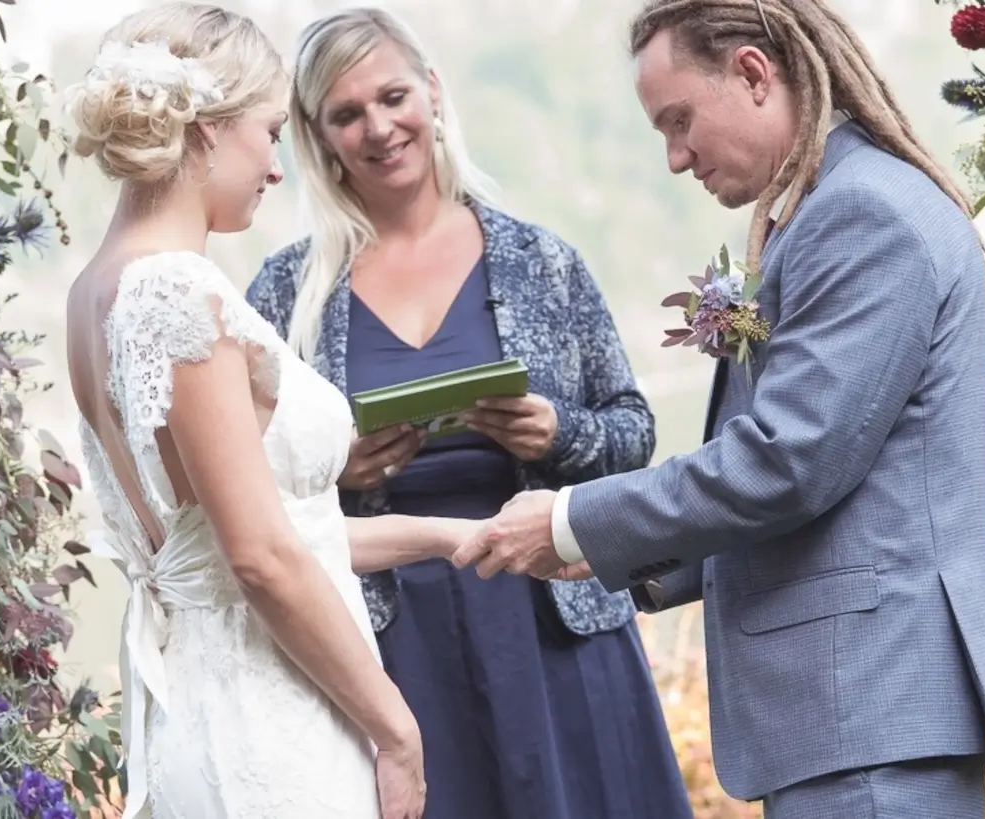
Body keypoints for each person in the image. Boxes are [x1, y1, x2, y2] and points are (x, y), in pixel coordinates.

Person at [452, 1, 985, 818]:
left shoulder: (859, 214)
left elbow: (787, 462)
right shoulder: (829, 207)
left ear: (753, 74)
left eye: (679, 119)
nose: (673, 156)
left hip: (869, 712)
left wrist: (572, 518)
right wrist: (613, 550)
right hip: (857, 717)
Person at [244, 8, 693, 819]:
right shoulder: (283, 295)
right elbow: (249, 501)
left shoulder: (543, 261)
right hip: (390, 653)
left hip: (554, 630)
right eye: (347, 114)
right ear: (318, 137)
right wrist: (334, 469)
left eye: (391, 96)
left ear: (433, 93)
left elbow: (633, 433)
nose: (379, 128)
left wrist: (561, 434)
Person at [64, 4, 477, 818]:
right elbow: (259, 557)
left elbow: (243, 538)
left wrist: (446, 536)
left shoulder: (92, 293)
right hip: (271, 727)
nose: (279, 166)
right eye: (268, 131)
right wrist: (396, 730)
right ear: (207, 131)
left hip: (202, 710)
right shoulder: (176, 292)